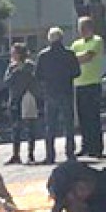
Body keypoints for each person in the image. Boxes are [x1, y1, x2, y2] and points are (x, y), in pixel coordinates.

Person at [33, 27, 80, 163]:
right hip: (66, 91)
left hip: (50, 92)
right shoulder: (69, 54)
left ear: (49, 39)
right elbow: (77, 72)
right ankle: (70, 152)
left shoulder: (43, 55)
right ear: (62, 38)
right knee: (68, 124)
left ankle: (50, 155)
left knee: (50, 125)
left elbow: (37, 75)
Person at [72, 14, 106, 155]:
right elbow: (71, 60)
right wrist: (77, 57)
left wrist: (76, 58)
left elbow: (88, 57)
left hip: (93, 83)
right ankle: (86, 146)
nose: (81, 30)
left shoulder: (97, 40)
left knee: (93, 117)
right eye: (80, 27)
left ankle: (97, 147)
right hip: (79, 84)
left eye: (83, 27)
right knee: (82, 118)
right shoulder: (76, 44)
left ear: (90, 27)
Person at [0, 41, 39, 164]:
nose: (12, 54)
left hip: (28, 98)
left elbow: (35, 80)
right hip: (15, 100)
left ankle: (30, 155)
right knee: (15, 128)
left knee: (30, 128)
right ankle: (16, 155)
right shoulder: (11, 67)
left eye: (14, 52)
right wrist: (16, 71)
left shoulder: (30, 66)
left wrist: (24, 70)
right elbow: (6, 82)